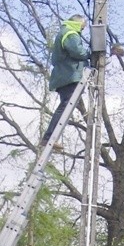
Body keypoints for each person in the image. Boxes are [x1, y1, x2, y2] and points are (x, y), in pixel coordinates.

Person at [41, 14, 92, 148]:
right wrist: (91, 53)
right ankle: (49, 137)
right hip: (69, 75)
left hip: (64, 76)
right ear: (78, 24)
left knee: (66, 106)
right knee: (65, 106)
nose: (83, 29)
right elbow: (78, 52)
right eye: (83, 26)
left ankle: (51, 138)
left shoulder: (65, 32)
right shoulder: (70, 33)